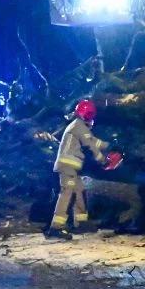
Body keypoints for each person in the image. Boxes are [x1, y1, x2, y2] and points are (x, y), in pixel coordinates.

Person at [47, 99, 120, 240]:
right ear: (89, 115)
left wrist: (110, 145)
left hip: (72, 167)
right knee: (66, 193)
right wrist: (104, 161)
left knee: (79, 190)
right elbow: (91, 146)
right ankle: (56, 228)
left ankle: (81, 222)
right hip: (67, 166)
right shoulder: (79, 126)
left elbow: (93, 141)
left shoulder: (79, 126)